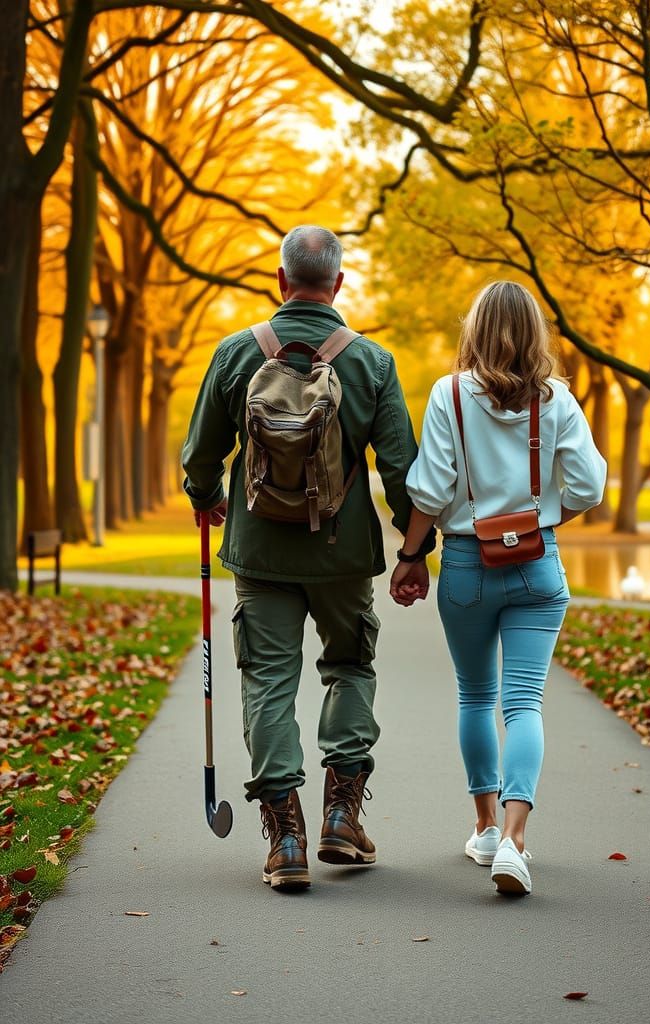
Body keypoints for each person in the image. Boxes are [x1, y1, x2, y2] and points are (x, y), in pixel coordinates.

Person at [182, 225, 433, 892]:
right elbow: (402, 467)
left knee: (267, 678)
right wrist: (413, 549)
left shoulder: (238, 354)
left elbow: (202, 454)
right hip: (343, 555)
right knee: (349, 664)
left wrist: (205, 495)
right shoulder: (371, 363)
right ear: (340, 284)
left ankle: (286, 837)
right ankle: (341, 817)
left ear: (280, 280)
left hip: (260, 552)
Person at [390, 281, 606, 896]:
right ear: (535, 334)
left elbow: (428, 490)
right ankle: (516, 841)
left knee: (476, 696)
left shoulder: (448, 394)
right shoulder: (558, 399)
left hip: (464, 564)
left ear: (473, 330)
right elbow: (589, 488)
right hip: (538, 568)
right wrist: (541, 521)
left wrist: (409, 557)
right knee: (524, 704)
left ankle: (484, 829)